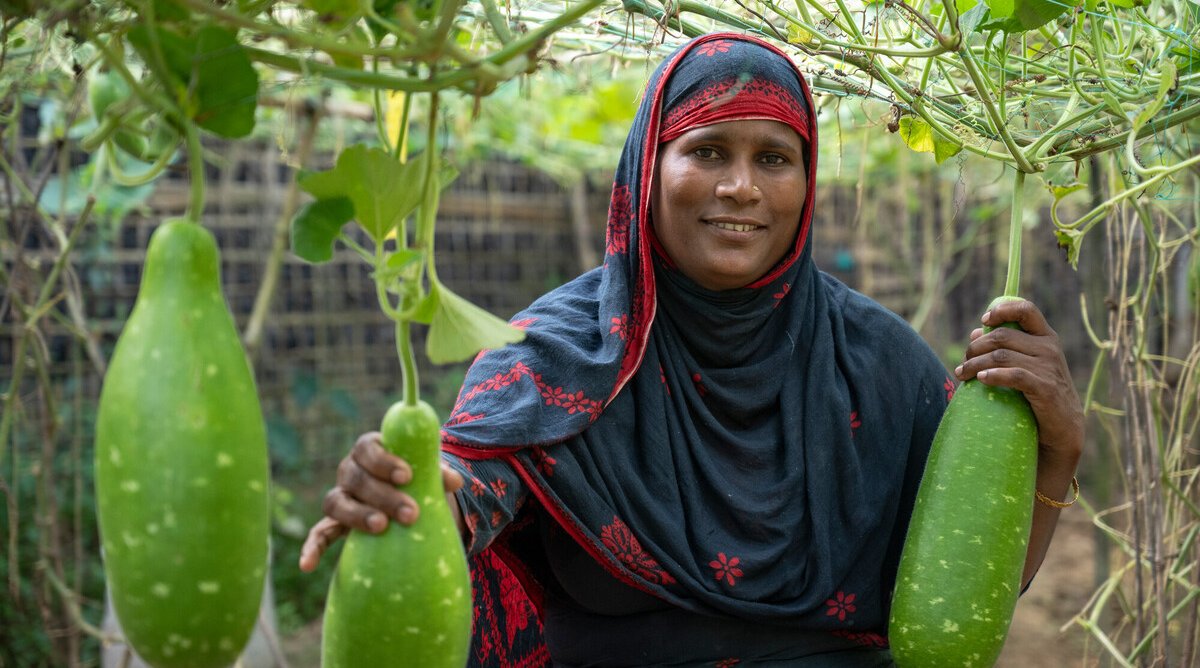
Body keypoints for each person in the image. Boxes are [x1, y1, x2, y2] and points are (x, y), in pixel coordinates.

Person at [299, 32, 1084, 666]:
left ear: (806, 185)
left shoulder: (879, 363)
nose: (741, 186)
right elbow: (474, 483)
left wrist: (1056, 451)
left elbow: (962, 600)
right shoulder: (558, 352)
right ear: (649, 168)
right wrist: (412, 498)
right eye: (708, 150)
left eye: (773, 159)